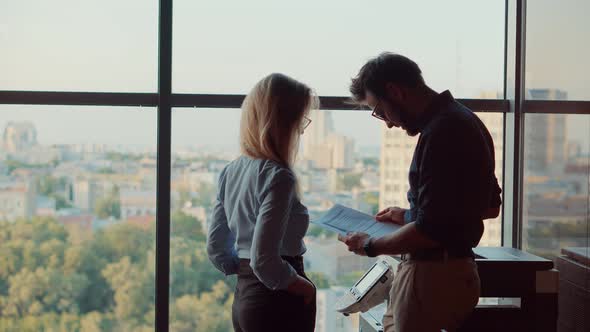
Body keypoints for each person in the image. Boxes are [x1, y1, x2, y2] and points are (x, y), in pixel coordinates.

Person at [339, 53, 502, 332]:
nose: (388, 122)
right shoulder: (465, 119)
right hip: (454, 273)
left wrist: (369, 245)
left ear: (394, 91)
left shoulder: (442, 132)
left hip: (431, 278)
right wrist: (409, 215)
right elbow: (487, 207)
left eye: (379, 110)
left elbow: (431, 230)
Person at [207, 73, 318, 332]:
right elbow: (264, 260)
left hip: (246, 296)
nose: (301, 130)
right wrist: (305, 286)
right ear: (283, 122)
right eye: (299, 120)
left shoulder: (231, 171)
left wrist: (242, 268)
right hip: (278, 299)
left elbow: (216, 248)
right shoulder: (279, 176)